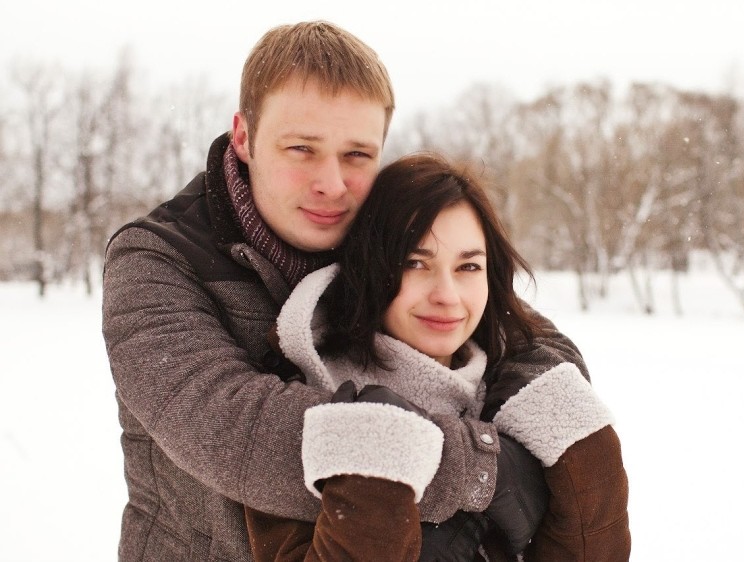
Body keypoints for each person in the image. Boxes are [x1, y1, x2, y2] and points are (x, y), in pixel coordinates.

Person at [102, 21, 597, 561]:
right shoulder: (156, 259)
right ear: (243, 136)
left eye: (357, 155)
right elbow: (233, 431)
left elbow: (527, 338)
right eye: (302, 148)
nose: (332, 184)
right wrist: (488, 467)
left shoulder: (376, 231)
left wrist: (536, 415)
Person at [244, 153, 631, 561]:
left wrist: (588, 460)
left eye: (468, 266)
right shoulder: (303, 403)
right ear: (368, 268)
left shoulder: (527, 404)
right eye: (415, 263)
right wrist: (375, 473)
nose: (447, 295)